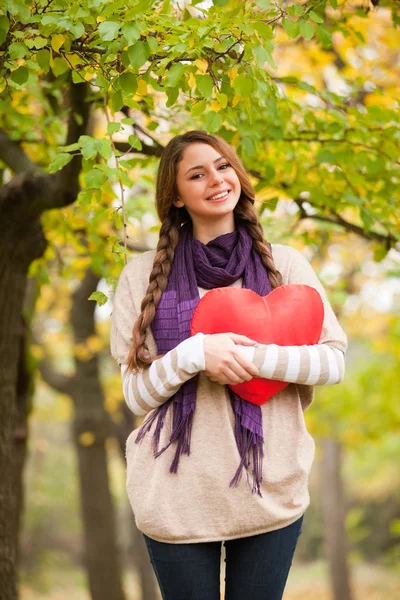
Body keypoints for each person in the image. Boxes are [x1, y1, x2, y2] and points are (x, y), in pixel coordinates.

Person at [110, 130, 347, 600]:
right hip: (177, 495)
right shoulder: (140, 276)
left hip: (269, 489)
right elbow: (136, 395)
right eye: (197, 174)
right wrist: (195, 355)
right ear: (176, 196)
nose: (216, 180)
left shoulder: (285, 264)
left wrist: (243, 357)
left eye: (223, 166)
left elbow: (333, 362)